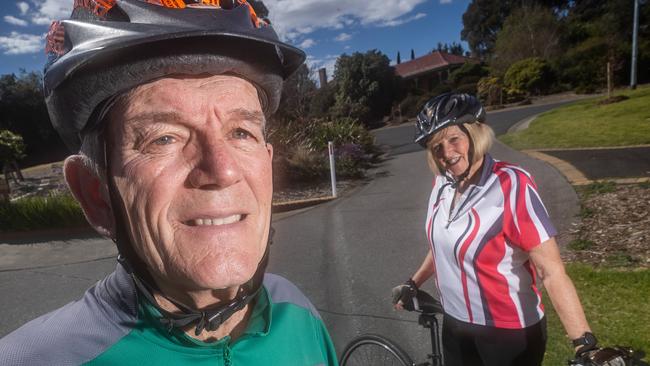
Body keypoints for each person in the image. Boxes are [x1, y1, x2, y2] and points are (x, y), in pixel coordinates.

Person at [0, 1, 337, 365]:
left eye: (241, 132)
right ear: (94, 193)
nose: (222, 171)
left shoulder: (299, 313)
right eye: (163, 138)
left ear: (268, 166)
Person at [391, 93, 596, 366]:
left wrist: (584, 344)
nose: (446, 153)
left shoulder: (512, 185)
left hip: (507, 332)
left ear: (476, 134)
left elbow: (551, 271)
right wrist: (413, 282)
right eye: (436, 146)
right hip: (455, 324)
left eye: (454, 139)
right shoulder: (442, 184)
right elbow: (441, 246)